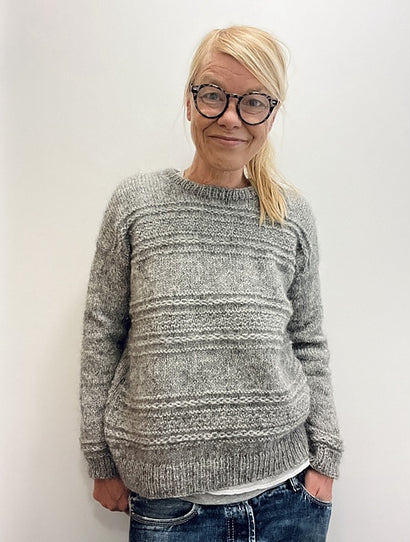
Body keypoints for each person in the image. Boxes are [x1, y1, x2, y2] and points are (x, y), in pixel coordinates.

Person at [80, 25, 343, 542]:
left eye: (253, 102)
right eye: (214, 95)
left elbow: (308, 341)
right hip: (170, 510)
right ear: (189, 101)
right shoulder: (137, 205)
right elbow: (101, 333)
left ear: (271, 115)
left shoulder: (291, 216)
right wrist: (100, 458)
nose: (230, 117)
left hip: (288, 500)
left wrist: (325, 459)